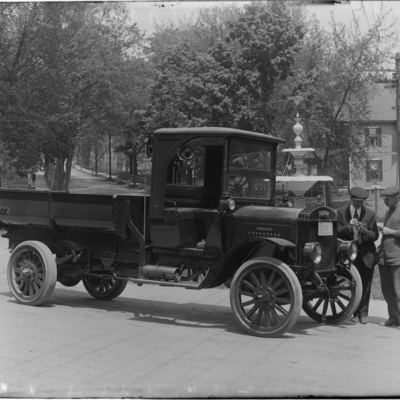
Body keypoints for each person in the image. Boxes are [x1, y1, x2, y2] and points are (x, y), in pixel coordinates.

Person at [337, 187, 379, 324]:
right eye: (356, 202)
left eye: (361, 202)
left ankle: (363, 313)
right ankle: (353, 311)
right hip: (348, 254)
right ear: (351, 199)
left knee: (366, 284)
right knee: (352, 284)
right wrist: (348, 227)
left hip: (366, 254)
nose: (359, 205)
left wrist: (364, 231)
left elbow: (375, 236)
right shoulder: (341, 212)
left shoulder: (370, 214)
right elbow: (336, 231)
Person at [377, 186, 400, 329]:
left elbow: (392, 232)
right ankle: (393, 318)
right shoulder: (388, 212)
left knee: (398, 291)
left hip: (397, 258)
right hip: (384, 257)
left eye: (387, 199)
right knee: (387, 290)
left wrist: (391, 231)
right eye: (384, 199)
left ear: (397, 198)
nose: (385, 201)